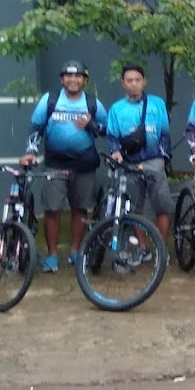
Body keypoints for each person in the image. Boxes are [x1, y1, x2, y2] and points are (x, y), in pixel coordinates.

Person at [23, 61, 108, 272]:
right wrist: (31, 151)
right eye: (68, 76)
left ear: (85, 80)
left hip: (84, 165)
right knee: (52, 210)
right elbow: (36, 127)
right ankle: (52, 255)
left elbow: (107, 130)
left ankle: (75, 251)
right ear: (62, 79)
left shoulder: (93, 103)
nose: (73, 80)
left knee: (80, 208)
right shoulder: (50, 100)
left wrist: (91, 124)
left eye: (78, 76)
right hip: (55, 164)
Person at [105, 65, 174, 241]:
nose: (134, 84)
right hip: (129, 164)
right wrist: (115, 152)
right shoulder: (116, 109)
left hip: (154, 162)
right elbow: (112, 136)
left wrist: (163, 158)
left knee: (162, 207)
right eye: (129, 80)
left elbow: (165, 133)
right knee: (135, 209)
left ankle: (161, 247)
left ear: (144, 82)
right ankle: (142, 248)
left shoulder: (157, 104)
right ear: (123, 83)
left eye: (137, 80)